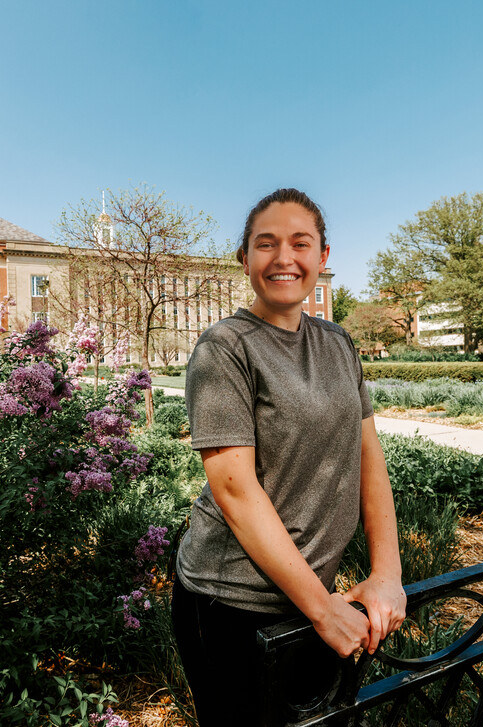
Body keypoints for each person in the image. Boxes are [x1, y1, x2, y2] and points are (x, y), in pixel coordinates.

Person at [171, 188, 407, 725]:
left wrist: (386, 572)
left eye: (300, 243)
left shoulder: (339, 342)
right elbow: (234, 490)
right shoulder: (224, 348)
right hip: (232, 602)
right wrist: (323, 610)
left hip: (313, 596)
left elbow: (368, 454)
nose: (284, 258)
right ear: (245, 259)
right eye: (265, 244)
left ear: (322, 258)